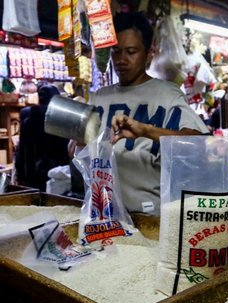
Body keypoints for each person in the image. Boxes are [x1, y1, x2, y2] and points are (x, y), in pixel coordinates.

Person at [74, 11, 209, 216]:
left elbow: (200, 144)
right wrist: (76, 143)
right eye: (116, 52)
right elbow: (80, 154)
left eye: (131, 51)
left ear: (148, 54)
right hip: (101, 215)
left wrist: (146, 130)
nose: (121, 59)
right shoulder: (98, 98)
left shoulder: (166, 95)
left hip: (149, 217)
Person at [15, 84, 70, 191]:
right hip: (57, 176)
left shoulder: (28, 118)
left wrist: (20, 175)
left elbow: (21, 150)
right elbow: (66, 150)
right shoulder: (61, 120)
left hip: (32, 176)